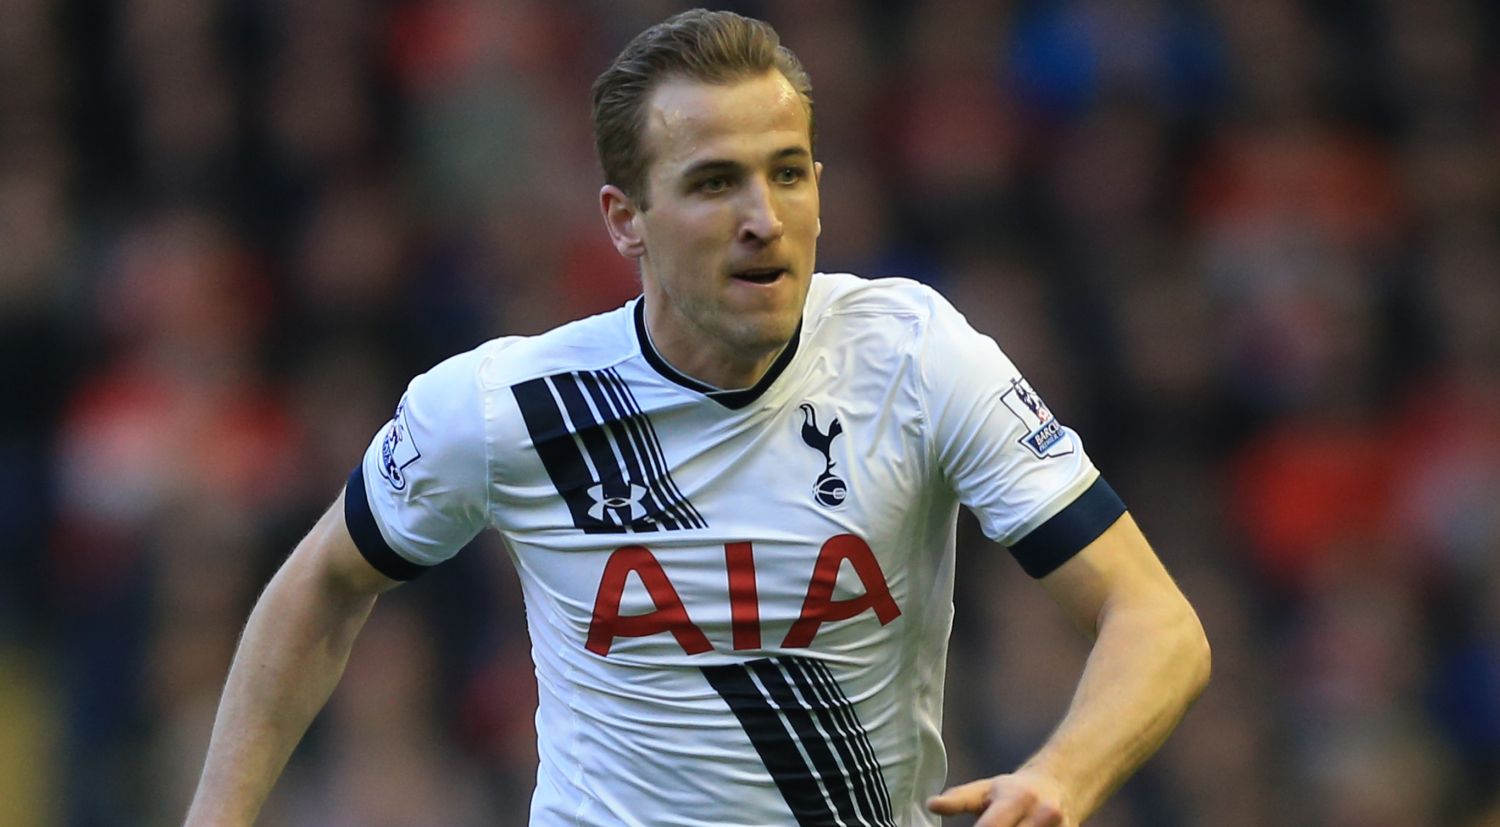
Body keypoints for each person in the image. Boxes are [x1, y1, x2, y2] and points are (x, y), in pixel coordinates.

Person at [184, 9, 1210, 827]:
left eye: (789, 171)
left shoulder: (915, 358)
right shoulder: (508, 407)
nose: (763, 216)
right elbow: (321, 582)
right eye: (715, 182)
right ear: (624, 220)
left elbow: (1158, 621)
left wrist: (1062, 774)